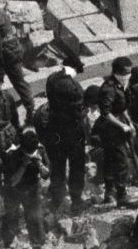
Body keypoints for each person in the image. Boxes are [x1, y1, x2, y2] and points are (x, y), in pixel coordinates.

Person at [41, 56, 91, 213]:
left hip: (54, 129)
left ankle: (57, 199)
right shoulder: (74, 86)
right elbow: (78, 113)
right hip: (72, 132)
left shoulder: (51, 79)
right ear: (74, 69)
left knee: (57, 166)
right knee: (76, 166)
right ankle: (76, 201)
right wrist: (86, 111)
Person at [2, 126, 48, 246]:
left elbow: (46, 176)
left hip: (32, 187)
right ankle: (8, 241)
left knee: (35, 217)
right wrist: (23, 165)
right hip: (14, 190)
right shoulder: (12, 156)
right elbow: (12, 182)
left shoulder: (40, 150)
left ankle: (37, 243)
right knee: (11, 216)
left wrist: (40, 165)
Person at [93, 89, 138, 206]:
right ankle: (121, 196)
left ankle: (110, 194)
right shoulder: (108, 119)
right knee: (121, 164)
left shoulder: (112, 116)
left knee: (111, 165)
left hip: (110, 146)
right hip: (112, 144)